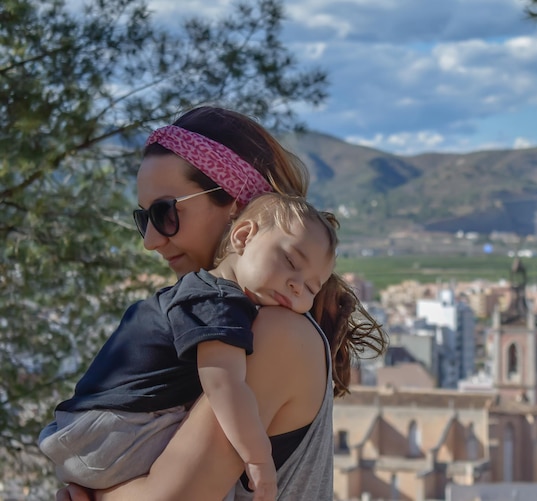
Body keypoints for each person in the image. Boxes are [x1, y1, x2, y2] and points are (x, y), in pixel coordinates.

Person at [54, 106, 387, 500]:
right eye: (144, 219)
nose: (150, 240)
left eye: (165, 213)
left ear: (235, 208)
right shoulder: (227, 327)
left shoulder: (279, 333)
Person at [40, 191, 339, 500]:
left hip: (90, 437)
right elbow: (225, 385)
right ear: (244, 236)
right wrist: (257, 455)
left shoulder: (221, 303)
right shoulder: (215, 302)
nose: (296, 285)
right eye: (290, 261)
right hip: (107, 433)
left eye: (311, 288)